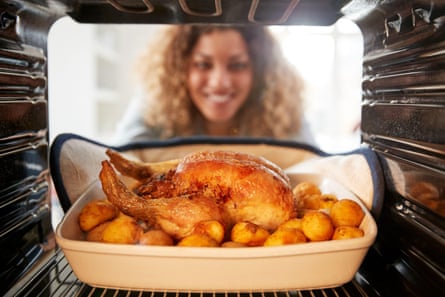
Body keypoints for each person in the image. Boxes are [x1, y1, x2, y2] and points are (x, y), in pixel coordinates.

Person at [113, 24, 314, 144]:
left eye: (237, 65)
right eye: (203, 64)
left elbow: (313, 166)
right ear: (180, 68)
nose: (220, 82)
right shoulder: (154, 108)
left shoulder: (283, 113)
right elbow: (121, 163)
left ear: (259, 71)